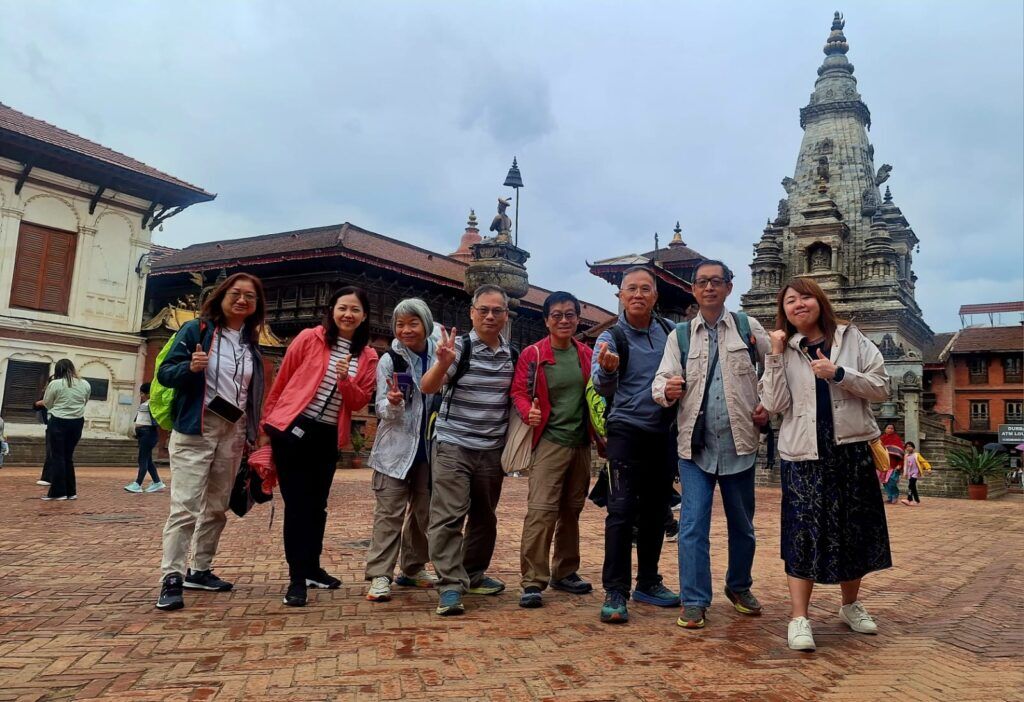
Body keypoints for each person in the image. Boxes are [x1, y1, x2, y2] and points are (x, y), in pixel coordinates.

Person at [759, 277, 892, 652]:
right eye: (789, 301)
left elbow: (882, 387)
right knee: (802, 531)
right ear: (782, 310)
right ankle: (799, 617)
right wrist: (773, 353)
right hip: (803, 454)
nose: (798, 304)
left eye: (805, 297)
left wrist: (839, 374)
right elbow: (772, 404)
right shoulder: (784, 349)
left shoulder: (852, 339)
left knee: (854, 529)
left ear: (819, 301)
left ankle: (850, 605)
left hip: (849, 450)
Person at [652, 259, 770, 630]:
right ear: (693, 289)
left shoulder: (749, 328)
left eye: (716, 281)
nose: (708, 288)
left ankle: (738, 586)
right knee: (691, 526)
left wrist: (769, 403)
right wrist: (666, 390)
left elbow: (778, 368)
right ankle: (694, 599)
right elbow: (661, 380)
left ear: (728, 287)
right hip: (695, 445)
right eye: (701, 282)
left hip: (740, 441)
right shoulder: (681, 336)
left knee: (743, 525)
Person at [155, 273, 267, 611]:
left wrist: (252, 433)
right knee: (185, 506)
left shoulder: (251, 343)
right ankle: (171, 576)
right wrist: (190, 367)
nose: (242, 300)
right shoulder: (197, 331)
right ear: (221, 296)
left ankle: (200, 569)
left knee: (217, 507)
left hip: (233, 431)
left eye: (250, 296)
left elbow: (250, 393)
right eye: (235, 293)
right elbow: (164, 373)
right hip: (196, 427)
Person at [262, 286, 379, 607]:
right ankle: (296, 579)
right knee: (297, 506)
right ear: (331, 310)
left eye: (355, 310)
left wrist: (345, 379)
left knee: (318, 506)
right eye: (342, 308)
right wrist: (267, 428)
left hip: (327, 436)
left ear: (364, 316)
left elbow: (359, 400)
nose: (348, 314)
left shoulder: (368, 356)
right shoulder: (308, 338)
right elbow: (282, 381)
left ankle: (312, 568)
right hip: (293, 431)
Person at [591, 266, 680, 624]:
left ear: (655, 296)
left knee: (658, 510)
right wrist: (609, 370)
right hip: (626, 431)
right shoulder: (611, 338)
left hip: (663, 430)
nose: (638, 294)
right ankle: (615, 590)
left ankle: (648, 581)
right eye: (632, 289)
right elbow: (601, 387)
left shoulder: (669, 333)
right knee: (622, 509)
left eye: (646, 289)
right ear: (621, 296)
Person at [419, 284, 515, 616]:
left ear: (506, 315)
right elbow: (427, 386)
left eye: (497, 311)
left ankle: (473, 574)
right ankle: (449, 585)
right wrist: (442, 363)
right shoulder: (458, 348)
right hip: (453, 445)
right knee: (448, 515)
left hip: (491, 450)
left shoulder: (511, 356)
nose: (490, 316)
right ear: (472, 312)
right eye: (483, 310)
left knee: (485, 517)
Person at [512, 291, 595, 609]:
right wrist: (526, 411)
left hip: (581, 443)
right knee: (542, 511)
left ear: (577, 319)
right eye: (557, 315)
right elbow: (519, 390)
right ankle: (533, 579)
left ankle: (565, 570)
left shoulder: (586, 354)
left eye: (570, 314)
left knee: (571, 510)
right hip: (549, 440)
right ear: (546, 320)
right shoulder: (534, 354)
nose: (564, 320)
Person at [364, 298, 439, 602]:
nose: (406, 330)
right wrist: (392, 403)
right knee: (389, 514)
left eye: (413, 323)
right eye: (400, 324)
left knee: (424, 514)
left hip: (429, 449)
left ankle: (412, 567)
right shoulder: (389, 360)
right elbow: (380, 407)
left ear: (426, 324)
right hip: (395, 449)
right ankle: (380, 574)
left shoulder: (439, 356)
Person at [36, 359, 91, 501]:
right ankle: (71, 491)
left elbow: (47, 403)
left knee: (57, 457)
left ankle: (58, 492)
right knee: (68, 457)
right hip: (77, 422)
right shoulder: (85, 384)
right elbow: (85, 401)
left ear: (58, 370)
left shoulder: (55, 384)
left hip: (59, 421)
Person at [125, 382, 165, 493]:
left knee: (142, 459)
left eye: (142, 393)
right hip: (143, 434)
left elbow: (157, 419)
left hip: (148, 434)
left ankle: (138, 484)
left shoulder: (152, 404)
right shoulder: (146, 403)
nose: (141, 396)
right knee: (148, 459)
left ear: (149, 393)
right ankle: (157, 482)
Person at [879, 424, 904, 505]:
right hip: (883, 464)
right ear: (885, 429)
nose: (890, 429)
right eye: (888, 428)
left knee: (892, 480)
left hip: (894, 464)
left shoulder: (896, 439)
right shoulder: (881, 439)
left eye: (892, 428)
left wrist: (900, 464)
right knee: (885, 482)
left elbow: (901, 453)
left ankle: (895, 495)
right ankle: (890, 497)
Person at [901, 442, 923, 506]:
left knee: (910, 485)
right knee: (913, 487)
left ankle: (909, 500)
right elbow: (905, 465)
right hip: (910, 473)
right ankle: (917, 500)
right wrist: (905, 473)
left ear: (913, 447)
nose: (908, 448)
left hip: (915, 473)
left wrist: (928, 468)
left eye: (910, 446)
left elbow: (923, 462)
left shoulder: (917, 455)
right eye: (907, 447)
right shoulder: (906, 456)